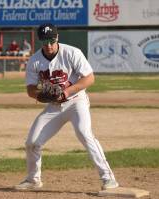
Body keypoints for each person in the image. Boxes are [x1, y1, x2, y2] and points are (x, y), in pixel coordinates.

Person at [14, 23, 119, 191]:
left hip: (76, 102)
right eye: (44, 41)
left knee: (85, 134)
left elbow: (89, 78)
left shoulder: (72, 52)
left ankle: (108, 178)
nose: (48, 45)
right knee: (32, 143)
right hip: (54, 107)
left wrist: (66, 92)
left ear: (57, 38)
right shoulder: (35, 60)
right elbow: (30, 90)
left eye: (51, 40)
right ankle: (33, 179)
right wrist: (41, 96)